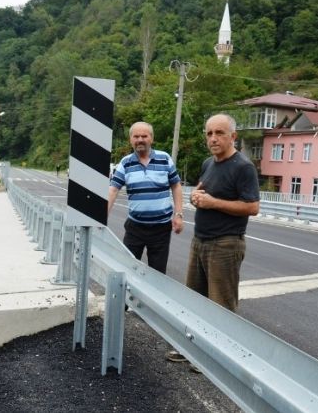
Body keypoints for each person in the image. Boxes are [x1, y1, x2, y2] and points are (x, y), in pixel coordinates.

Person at [187, 113, 260, 311]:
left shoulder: (243, 167)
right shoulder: (208, 163)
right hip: (199, 241)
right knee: (193, 301)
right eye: (209, 133)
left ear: (233, 136)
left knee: (221, 308)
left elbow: (252, 207)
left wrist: (213, 203)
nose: (213, 138)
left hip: (224, 245)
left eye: (219, 133)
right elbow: (203, 195)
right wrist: (195, 197)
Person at [108, 121, 184, 275]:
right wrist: (102, 217)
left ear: (152, 138)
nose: (140, 140)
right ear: (131, 139)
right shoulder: (125, 163)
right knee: (128, 270)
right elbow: (113, 190)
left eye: (144, 136)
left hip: (161, 229)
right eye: (136, 136)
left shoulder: (165, 159)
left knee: (158, 274)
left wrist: (178, 214)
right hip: (135, 228)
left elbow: (176, 186)